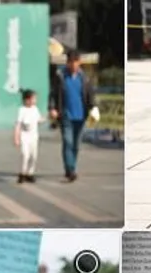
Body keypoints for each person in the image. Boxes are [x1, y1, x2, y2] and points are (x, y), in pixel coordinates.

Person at [51, 52, 96, 183]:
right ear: (68, 63)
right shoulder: (60, 76)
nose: (74, 65)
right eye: (71, 62)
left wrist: (93, 107)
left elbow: (90, 94)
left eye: (76, 62)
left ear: (79, 62)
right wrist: (53, 108)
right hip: (66, 115)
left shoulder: (84, 78)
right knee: (68, 142)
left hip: (81, 116)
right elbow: (53, 94)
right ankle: (70, 170)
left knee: (76, 145)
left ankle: (71, 167)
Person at [15, 88, 42, 183]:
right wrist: (16, 138)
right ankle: (22, 173)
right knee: (25, 155)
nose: (35, 101)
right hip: (24, 136)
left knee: (34, 156)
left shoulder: (35, 109)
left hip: (34, 136)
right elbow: (18, 125)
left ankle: (30, 173)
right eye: (34, 98)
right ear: (27, 100)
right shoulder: (21, 110)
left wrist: (49, 117)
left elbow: (39, 120)